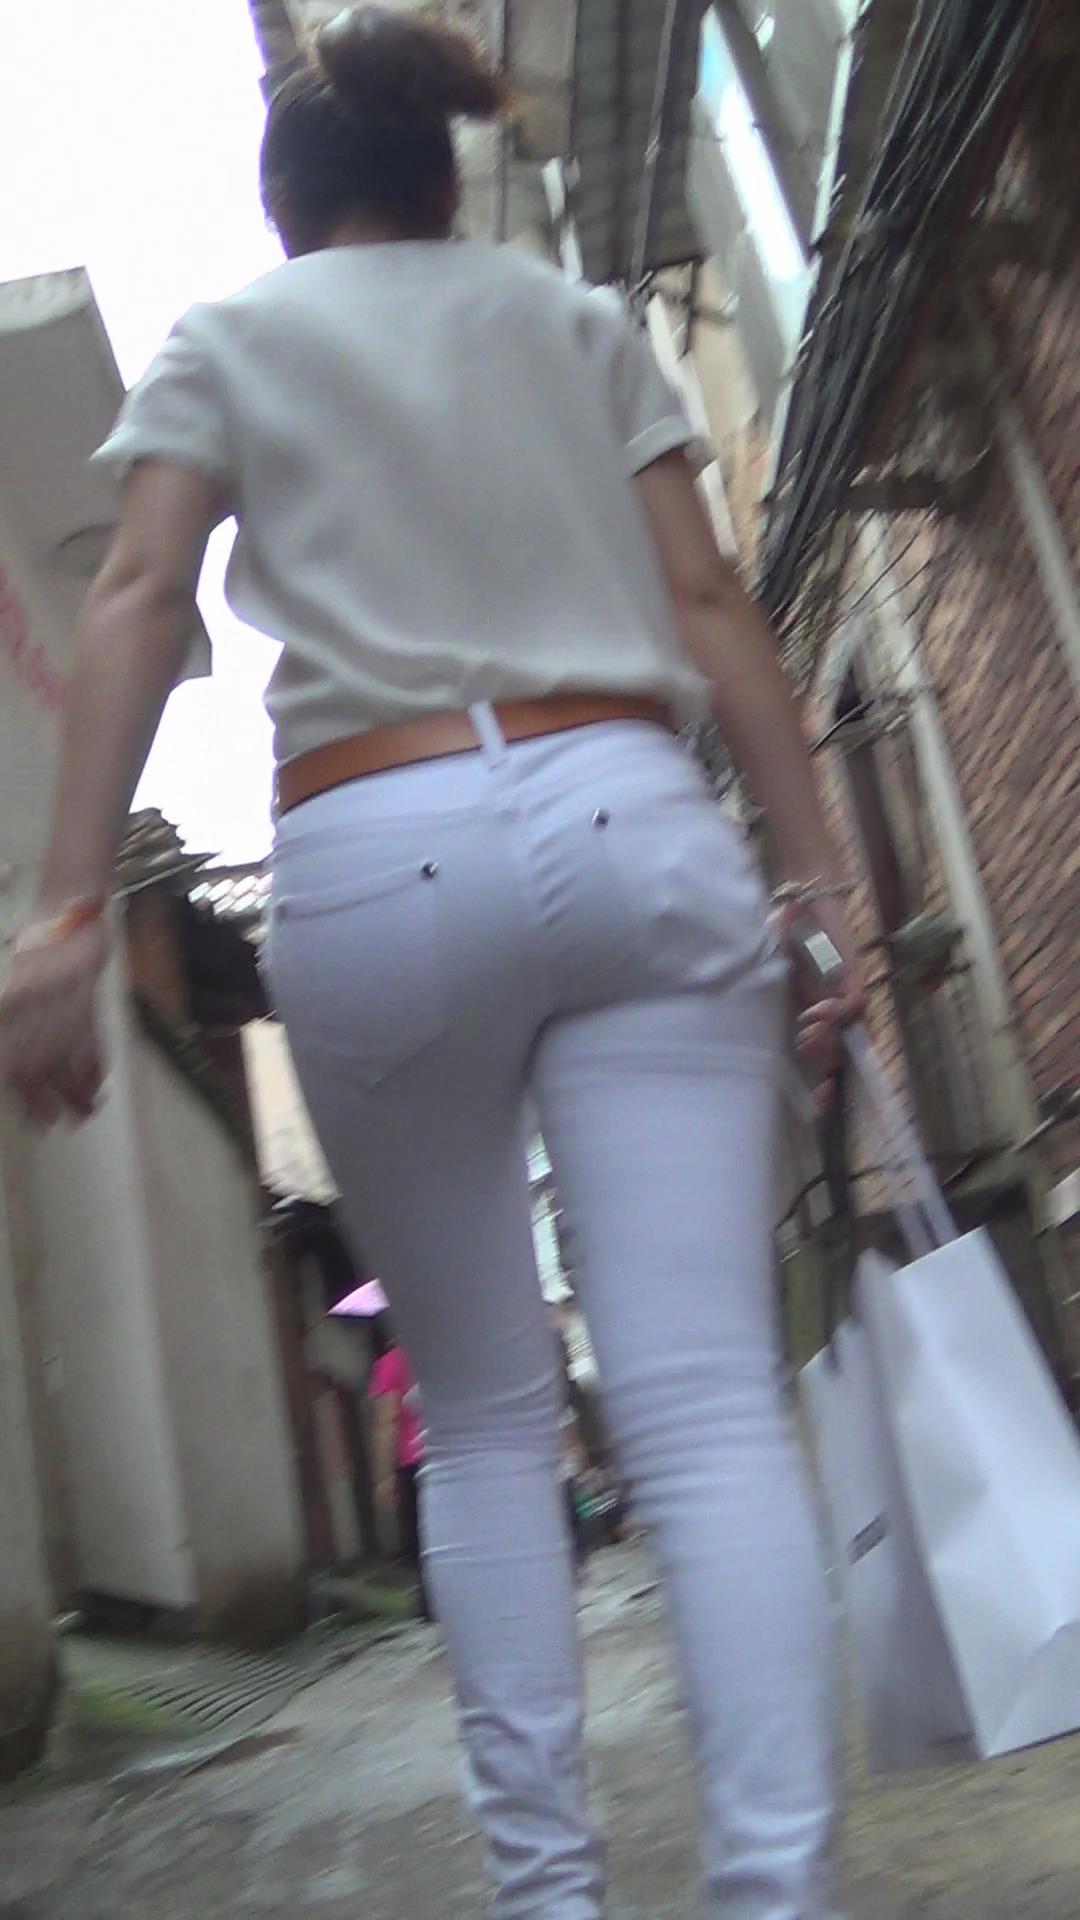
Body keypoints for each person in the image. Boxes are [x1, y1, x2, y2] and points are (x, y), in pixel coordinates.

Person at [0, 9, 863, 1914]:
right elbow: (708, 599)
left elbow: (135, 597)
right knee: (707, 1402)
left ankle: (547, 1895)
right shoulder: (573, 323)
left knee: (476, 1417)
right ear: (439, 181)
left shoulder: (233, 338)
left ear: (286, 205)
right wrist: (815, 882)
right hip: (632, 810)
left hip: (379, 841)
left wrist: (63, 919)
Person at [367, 1313, 432, 1621]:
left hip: (412, 1461)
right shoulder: (433, 1357)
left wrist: (383, 1477)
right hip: (445, 1454)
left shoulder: (389, 1364)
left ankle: (433, 1600)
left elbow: (386, 1422)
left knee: (419, 1536)